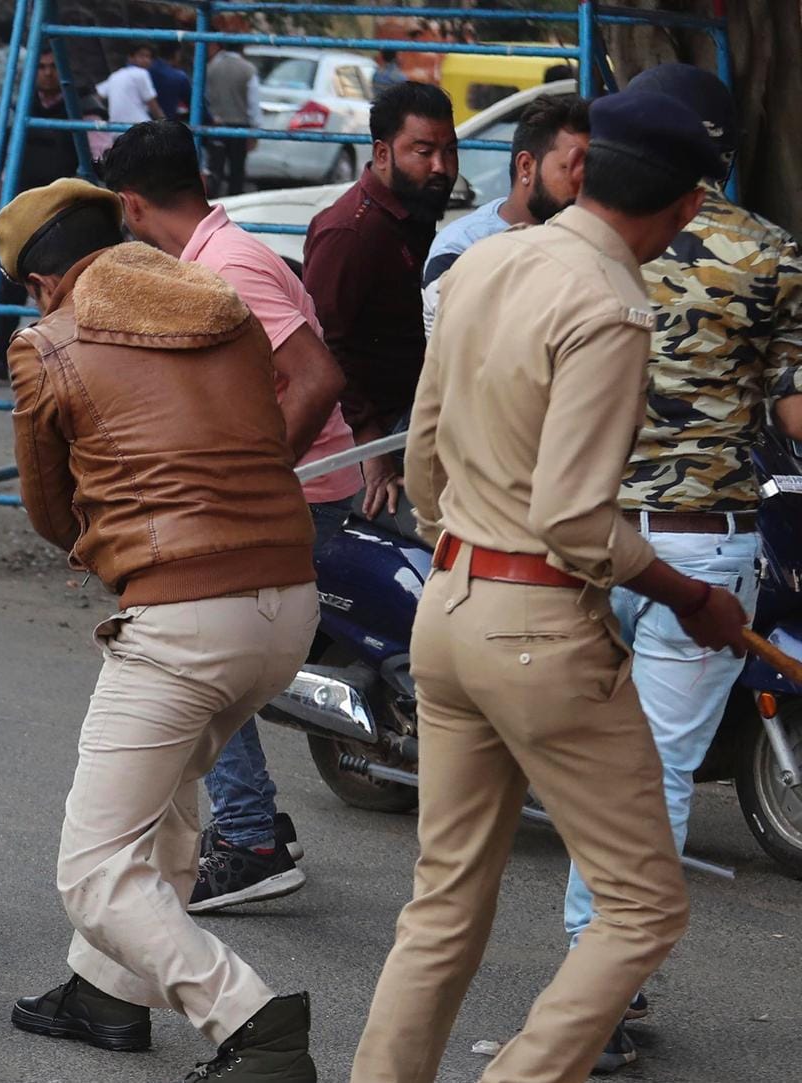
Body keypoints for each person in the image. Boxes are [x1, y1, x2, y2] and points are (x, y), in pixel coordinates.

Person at [350, 88, 742, 1083]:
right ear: (690, 208)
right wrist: (689, 594)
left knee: (444, 900)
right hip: (536, 625)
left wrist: (465, 554)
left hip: (451, 600)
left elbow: (425, 444)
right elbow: (574, 517)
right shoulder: (611, 305)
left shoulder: (488, 259)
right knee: (645, 901)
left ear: (580, 167)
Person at [0, 179, 321, 1081]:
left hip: (183, 618)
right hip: (289, 599)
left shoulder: (47, 344)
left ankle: (251, 1021)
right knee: (172, 792)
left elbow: (48, 507)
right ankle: (108, 992)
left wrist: (122, 551)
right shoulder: (225, 309)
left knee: (93, 869)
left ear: (44, 280)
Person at [557, 64, 802, 1075]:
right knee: (647, 776)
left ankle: (597, 979)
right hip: (700, 542)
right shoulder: (767, 253)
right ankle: (598, 990)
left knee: (577, 760)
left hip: (569, 536)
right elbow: (793, 404)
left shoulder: (557, 246)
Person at [99, 120, 361, 914]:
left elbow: (315, 378)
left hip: (303, 489)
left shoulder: (229, 269)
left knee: (198, 651)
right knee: (208, 653)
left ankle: (248, 836)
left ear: (133, 205)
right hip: (298, 483)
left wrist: (257, 483)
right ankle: (245, 825)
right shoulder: (213, 259)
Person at [303, 81, 457, 519]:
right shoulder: (352, 233)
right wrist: (373, 449)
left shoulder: (411, 215)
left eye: (449, 151)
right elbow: (325, 347)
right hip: (379, 436)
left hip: (414, 415)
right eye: (423, 152)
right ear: (383, 153)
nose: (441, 167)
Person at [423, 93, 590, 335]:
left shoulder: (588, 239)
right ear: (526, 166)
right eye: (570, 167)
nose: (582, 181)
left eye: (589, 169)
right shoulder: (461, 247)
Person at [0, 46, 99, 385]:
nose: (47, 73)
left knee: (60, 295)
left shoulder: (84, 111)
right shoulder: (22, 109)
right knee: (8, 288)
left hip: (64, 219)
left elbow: (96, 162)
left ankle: (62, 367)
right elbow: (4, 162)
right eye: (42, 67)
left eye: (52, 67)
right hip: (23, 214)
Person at [202, 42, 261, 197]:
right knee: (237, 169)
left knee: (215, 167)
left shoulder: (211, 68)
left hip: (215, 124)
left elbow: (204, 96)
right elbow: (253, 103)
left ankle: (212, 201)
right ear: (242, 48)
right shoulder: (248, 69)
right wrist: (255, 131)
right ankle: (235, 200)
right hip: (239, 126)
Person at [94, 43, 165, 127]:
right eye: (142, 56)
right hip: (138, 127)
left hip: (115, 128)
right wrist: (165, 123)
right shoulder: (142, 73)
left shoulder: (115, 75)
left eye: (148, 57)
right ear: (131, 58)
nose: (146, 60)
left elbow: (96, 97)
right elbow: (153, 105)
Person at [148, 42, 191, 120]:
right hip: (163, 125)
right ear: (177, 54)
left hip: (140, 124)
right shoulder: (178, 77)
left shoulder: (146, 70)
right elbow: (195, 105)